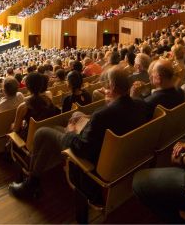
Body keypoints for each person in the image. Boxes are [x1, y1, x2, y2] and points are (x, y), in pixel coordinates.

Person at [9, 66, 149, 200]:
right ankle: (34, 179)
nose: (104, 89)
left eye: (106, 86)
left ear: (112, 86)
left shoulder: (103, 115)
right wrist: (88, 119)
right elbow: (116, 121)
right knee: (68, 120)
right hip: (119, 157)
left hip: (90, 166)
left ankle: (32, 182)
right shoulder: (141, 104)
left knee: (42, 132)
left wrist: (70, 132)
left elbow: (82, 148)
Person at [11, 72, 58, 139]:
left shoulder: (23, 107)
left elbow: (16, 130)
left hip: (31, 141)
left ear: (27, 86)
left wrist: (13, 126)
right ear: (42, 85)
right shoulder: (49, 101)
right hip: (47, 136)